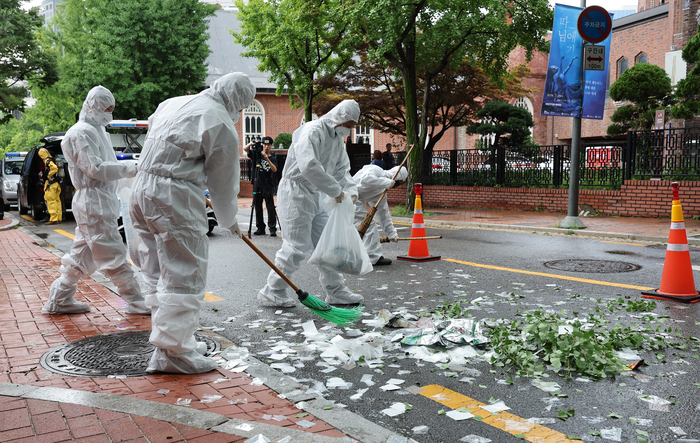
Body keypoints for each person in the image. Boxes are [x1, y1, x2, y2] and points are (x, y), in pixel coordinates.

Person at [129, 72, 255, 374]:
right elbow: (224, 185)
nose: (239, 114)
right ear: (238, 101)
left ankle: (173, 341)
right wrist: (230, 222)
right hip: (173, 196)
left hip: (141, 188)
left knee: (157, 271)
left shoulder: (174, 102)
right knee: (184, 273)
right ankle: (174, 353)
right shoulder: (220, 122)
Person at [42, 86, 148, 316]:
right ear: (93, 106)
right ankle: (137, 301)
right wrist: (132, 168)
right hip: (93, 202)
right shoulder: (81, 132)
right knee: (112, 252)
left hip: (99, 200)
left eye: (111, 109)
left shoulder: (96, 130)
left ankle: (58, 300)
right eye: (106, 108)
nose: (109, 113)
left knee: (80, 256)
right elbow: (95, 168)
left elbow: (104, 166)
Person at [258, 99, 362, 308]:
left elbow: (342, 171)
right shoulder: (312, 131)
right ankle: (272, 290)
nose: (349, 130)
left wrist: (351, 192)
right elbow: (309, 166)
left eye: (352, 126)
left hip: (316, 193)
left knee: (327, 244)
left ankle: (335, 290)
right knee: (296, 246)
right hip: (296, 191)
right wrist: (336, 190)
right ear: (338, 118)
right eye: (348, 125)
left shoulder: (336, 141)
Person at [353, 164, 407, 266]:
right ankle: (373, 257)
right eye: (398, 182)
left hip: (354, 201)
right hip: (350, 197)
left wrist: (392, 233)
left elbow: (383, 213)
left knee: (359, 228)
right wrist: (386, 182)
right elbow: (366, 179)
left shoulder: (381, 190)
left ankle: (359, 255)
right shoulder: (376, 170)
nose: (397, 185)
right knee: (369, 225)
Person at [244, 136, 278, 236]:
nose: (266, 146)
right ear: (262, 145)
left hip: (268, 185)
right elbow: (245, 149)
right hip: (257, 184)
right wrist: (252, 143)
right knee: (257, 207)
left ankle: (272, 228)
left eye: (268, 145)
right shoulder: (256, 155)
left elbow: (274, 169)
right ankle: (260, 228)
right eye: (264, 144)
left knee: (270, 207)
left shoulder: (272, 158)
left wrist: (267, 159)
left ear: (271, 146)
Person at [38, 148, 62, 225]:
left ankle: (53, 219)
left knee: (50, 200)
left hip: (51, 184)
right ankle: (58, 217)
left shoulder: (47, 161)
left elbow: (54, 168)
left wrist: (48, 175)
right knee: (57, 201)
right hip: (56, 184)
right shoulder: (52, 159)